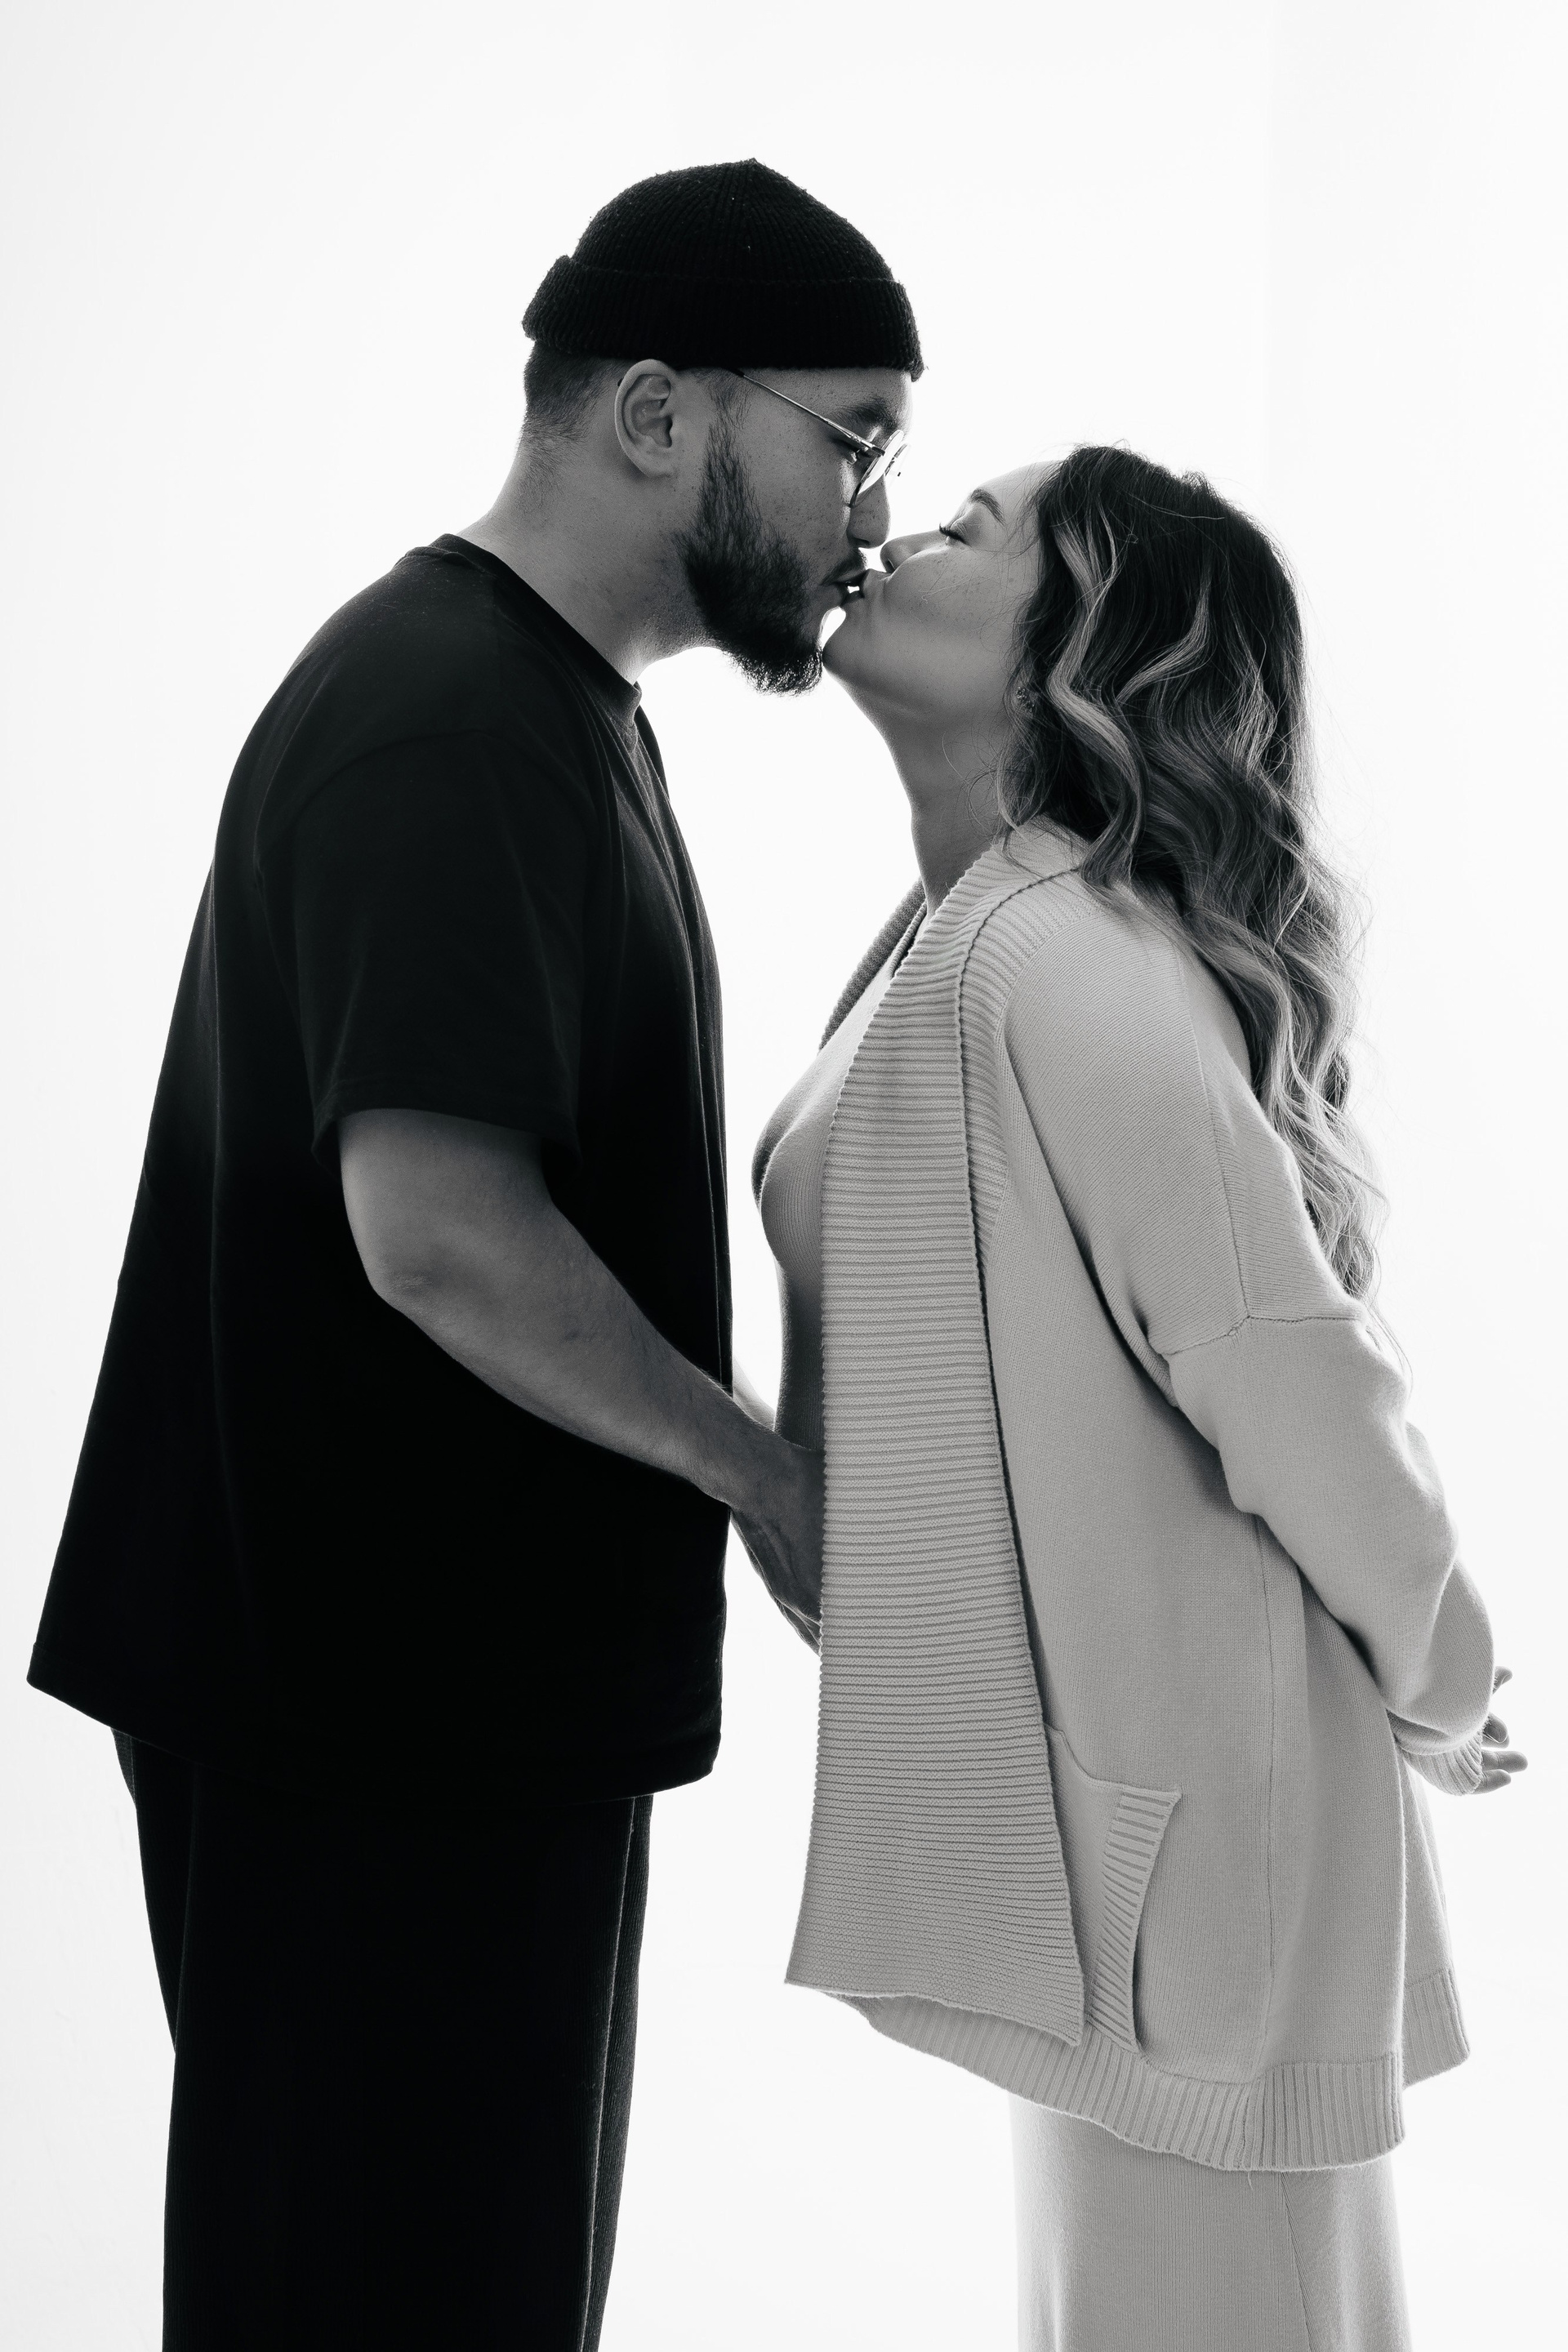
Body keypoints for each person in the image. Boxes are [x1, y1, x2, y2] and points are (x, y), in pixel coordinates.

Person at [25, 158, 919, 2352]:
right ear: (657, 412)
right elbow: (437, 1235)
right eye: (854, 440)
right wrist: (764, 1474)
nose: (874, 520)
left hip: (436, 1722)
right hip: (372, 1740)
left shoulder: (546, 710)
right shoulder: (451, 716)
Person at [752, 445, 1526, 2350]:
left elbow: (1288, 1366)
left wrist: (1442, 1679)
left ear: (1079, 648)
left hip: (1204, 1847)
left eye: (973, 526)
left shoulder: (1066, 955)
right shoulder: (968, 934)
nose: (904, 534)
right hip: (1124, 1827)